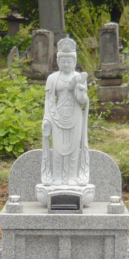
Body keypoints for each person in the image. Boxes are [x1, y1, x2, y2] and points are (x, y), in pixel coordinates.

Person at [40, 38, 90, 187]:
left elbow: (82, 101)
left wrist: (81, 92)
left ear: (74, 61)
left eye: (69, 61)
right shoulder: (52, 78)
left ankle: (72, 177)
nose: (66, 64)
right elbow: (49, 101)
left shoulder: (79, 78)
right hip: (57, 116)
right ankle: (56, 177)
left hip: (75, 115)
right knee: (57, 149)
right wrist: (46, 119)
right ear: (58, 61)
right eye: (63, 61)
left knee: (74, 148)